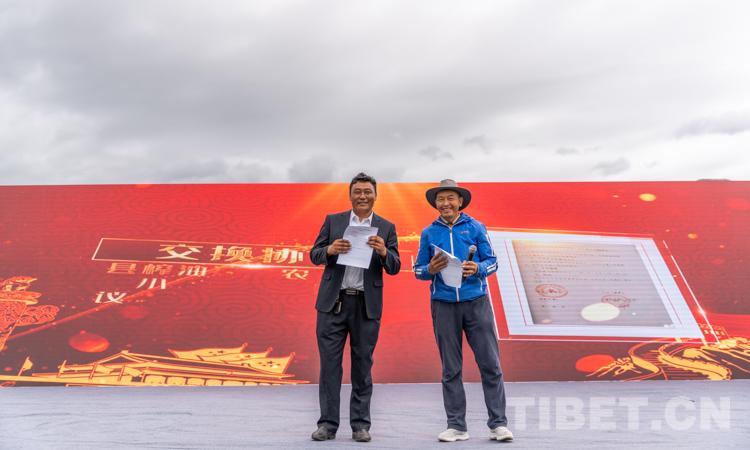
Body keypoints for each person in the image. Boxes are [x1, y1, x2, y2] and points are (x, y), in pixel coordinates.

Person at [413, 179, 513, 442]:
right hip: (443, 305)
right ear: (435, 204)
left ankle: (498, 424)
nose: (445, 203)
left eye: (450, 198)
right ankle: (456, 426)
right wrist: (430, 269)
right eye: (440, 199)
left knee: (490, 364)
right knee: (451, 368)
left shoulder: (476, 227)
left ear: (460, 202)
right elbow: (418, 271)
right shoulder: (428, 233)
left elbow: (493, 262)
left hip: (476, 303)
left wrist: (477, 268)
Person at [309, 172, 401, 442]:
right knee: (330, 367)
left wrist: (383, 251)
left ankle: (360, 425)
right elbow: (314, 254)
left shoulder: (386, 227)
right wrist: (330, 250)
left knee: (362, 366)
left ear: (375, 195)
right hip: (333, 304)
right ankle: (327, 424)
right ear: (350, 195)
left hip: (365, 306)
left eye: (367, 192)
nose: (363, 196)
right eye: (358, 191)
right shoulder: (333, 221)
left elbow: (395, 266)